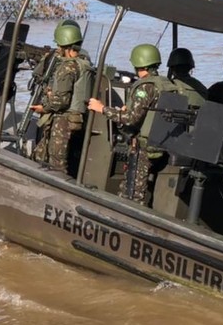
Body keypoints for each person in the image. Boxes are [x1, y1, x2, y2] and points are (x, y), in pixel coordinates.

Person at [88, 43, 173, 206]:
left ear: (138, 64)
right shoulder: (166, 84)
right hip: (160, 144)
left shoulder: (146, 86)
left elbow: (130, 119)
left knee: (132, 193)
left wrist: (102, 108)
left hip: (143, 147)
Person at [30, 22, 92, 174]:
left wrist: (43, 108)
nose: (58, 49)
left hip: (63, 118)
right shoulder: (84, 63)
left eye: (59, 46)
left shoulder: (68, 67)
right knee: (54, 155)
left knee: (57, 162)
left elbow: (61, 100)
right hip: (75, 118)